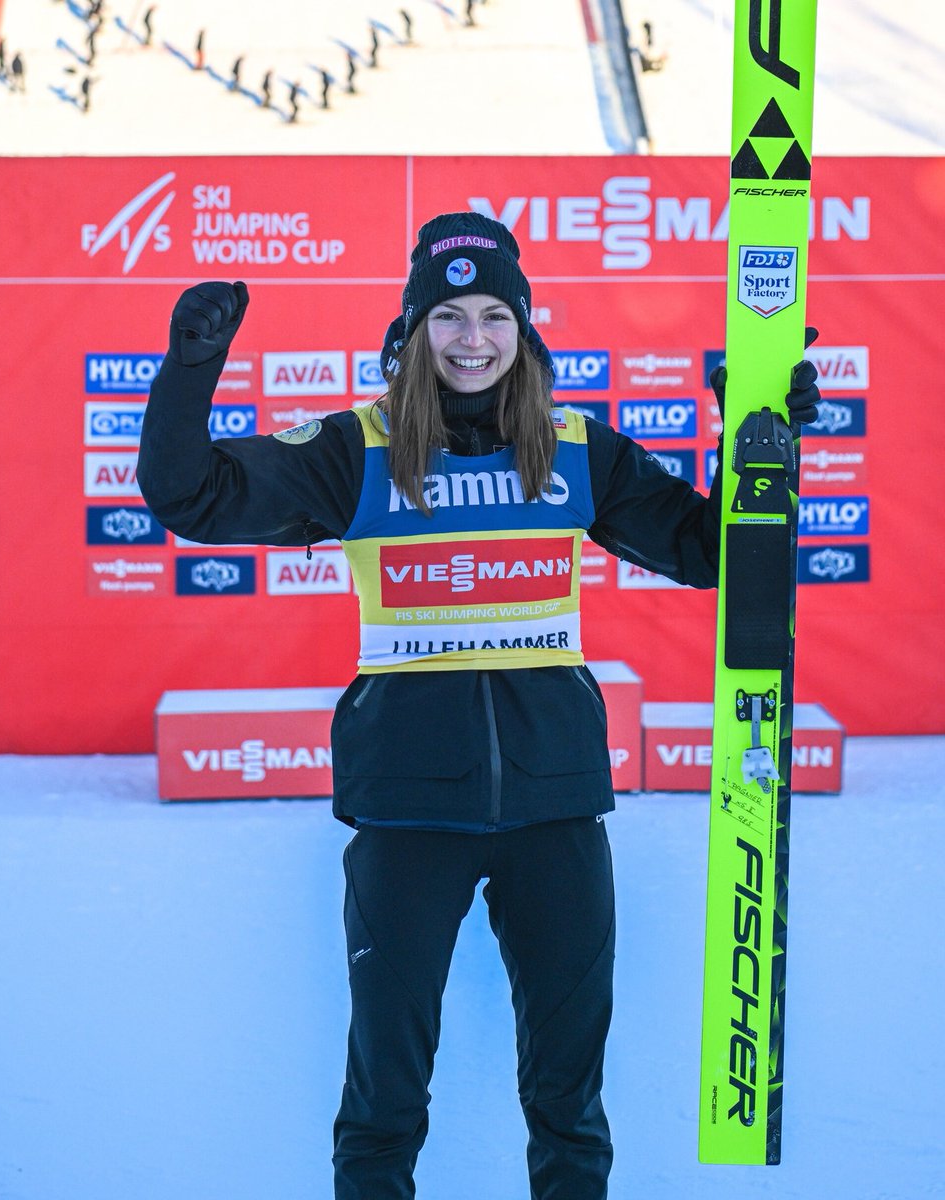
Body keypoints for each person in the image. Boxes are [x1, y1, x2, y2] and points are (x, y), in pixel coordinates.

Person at [136, 212, 819, 1200]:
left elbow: (716, 554)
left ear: (522, 328)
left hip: (555, 814)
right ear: (412, 331)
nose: (471, 337)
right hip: (407, 816)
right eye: (446, 315)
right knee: (384, 1100)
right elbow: (189, 497)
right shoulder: (354, 450)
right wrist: (190, 367)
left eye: (493, 313)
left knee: (567, 1101)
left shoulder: (574, 450)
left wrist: (762, 438)